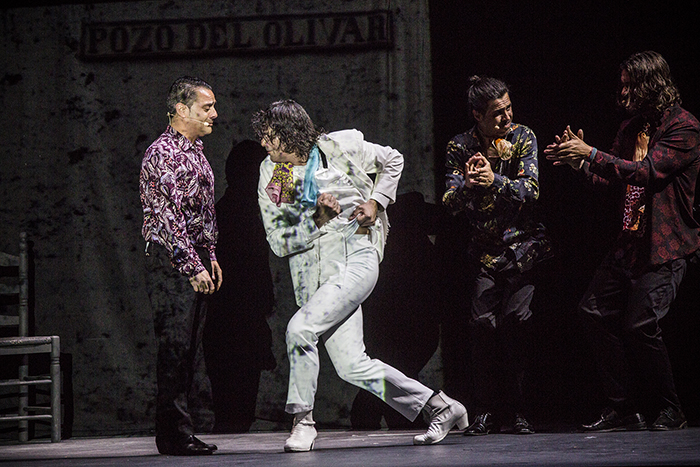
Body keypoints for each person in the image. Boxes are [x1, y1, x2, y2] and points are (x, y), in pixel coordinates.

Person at [253, 99, 468, 452]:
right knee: (352, 365)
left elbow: (392, 159)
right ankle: (439, 406)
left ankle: (303, 421)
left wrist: (377, 202)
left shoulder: (340, 146)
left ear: (289, 134)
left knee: (299, 329)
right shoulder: (274, 174)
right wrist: (316, 218)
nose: (264, 144)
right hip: (314, 275)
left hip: (357, 256)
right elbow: (279, 240)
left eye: (269, 136)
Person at [544, 51, 700, 432]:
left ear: (651, 85)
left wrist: (591, 153)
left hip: (665, 245)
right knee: (592, 312)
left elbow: (647, 172)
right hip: (628, 243)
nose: (624, 91)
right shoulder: (632, 128)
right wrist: (578, 163)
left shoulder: (684, 127)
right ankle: (623, 407)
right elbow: (610, 178)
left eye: (631, 84)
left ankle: (671, 408)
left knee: (640, 325)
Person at [442, 76, 551, 436]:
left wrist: (495, 181)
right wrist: (470, 186)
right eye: (497, 113)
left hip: (523, 249)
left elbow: (531, 190)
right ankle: (486, 410)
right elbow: (450, 202)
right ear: (477, 115)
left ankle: (520, 410)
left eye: (508, 108)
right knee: (482, 326)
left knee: (517, 321)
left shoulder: (523, 137)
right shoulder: (460, 147)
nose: (507, 117)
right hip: (486, 252)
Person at [140, 76, 223, 456]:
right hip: (173, 261)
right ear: (181, 110)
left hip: (195, 257)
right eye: (206, 108)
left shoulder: (195, 151)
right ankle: (173, 435)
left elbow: (201, 211)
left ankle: (181, 432)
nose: (214, 114)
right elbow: (168, 217)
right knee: (174, 348)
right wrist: (192, 265)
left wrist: (211, 255)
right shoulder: (163, 154)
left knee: (190, 350)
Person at [204, 140, 276, 434]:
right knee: (234, 413)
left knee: (233, 413)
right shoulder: (236, 215)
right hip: (235, 327)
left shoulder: (235, 212)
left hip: (232, 327)